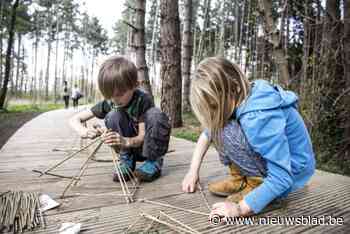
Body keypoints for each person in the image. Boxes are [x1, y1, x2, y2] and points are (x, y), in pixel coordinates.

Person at [182, 57, 315, 218]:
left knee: (224, 127)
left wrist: (240, 209)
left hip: (289, 173)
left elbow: (282, 177)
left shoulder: (256, 117)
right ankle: (240, 179)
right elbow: (206, 134)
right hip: (283, 166)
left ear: (229, 90)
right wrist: (192, 172)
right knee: (217, 125)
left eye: (214, 106)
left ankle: (257, 185)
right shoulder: (244, 96)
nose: (213, 112)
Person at [69, 56, 171, 182]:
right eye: (109, 95)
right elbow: (75, 119)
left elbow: (141, 137)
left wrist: (125, 141)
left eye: (119, 95)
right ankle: (126, 158)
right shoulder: (112, 101)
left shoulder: (143, 100)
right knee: (113, 114)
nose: (114, 100)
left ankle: (154, 161)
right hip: (126, 147)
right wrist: (83, 131)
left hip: (144, 146)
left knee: (156, 115)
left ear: (135, 85)